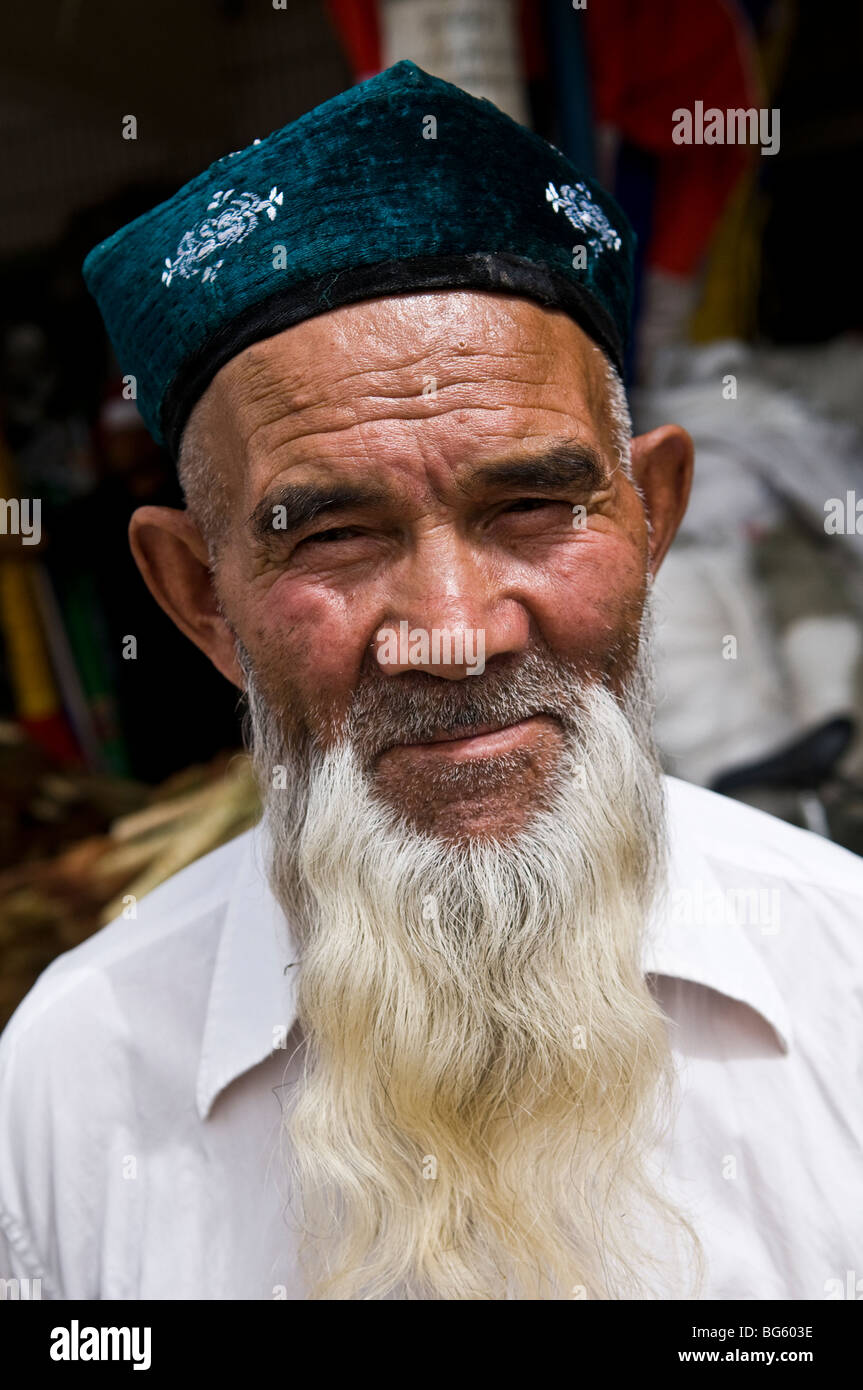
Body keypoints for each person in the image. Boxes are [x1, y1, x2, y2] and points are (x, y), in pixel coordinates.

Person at [1, 61, 860, 1302]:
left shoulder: (840, 982)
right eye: (331, 535)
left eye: (530, 505)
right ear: (199, 596)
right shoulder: (78, 1070)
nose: (453, 633)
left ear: (651, 516)